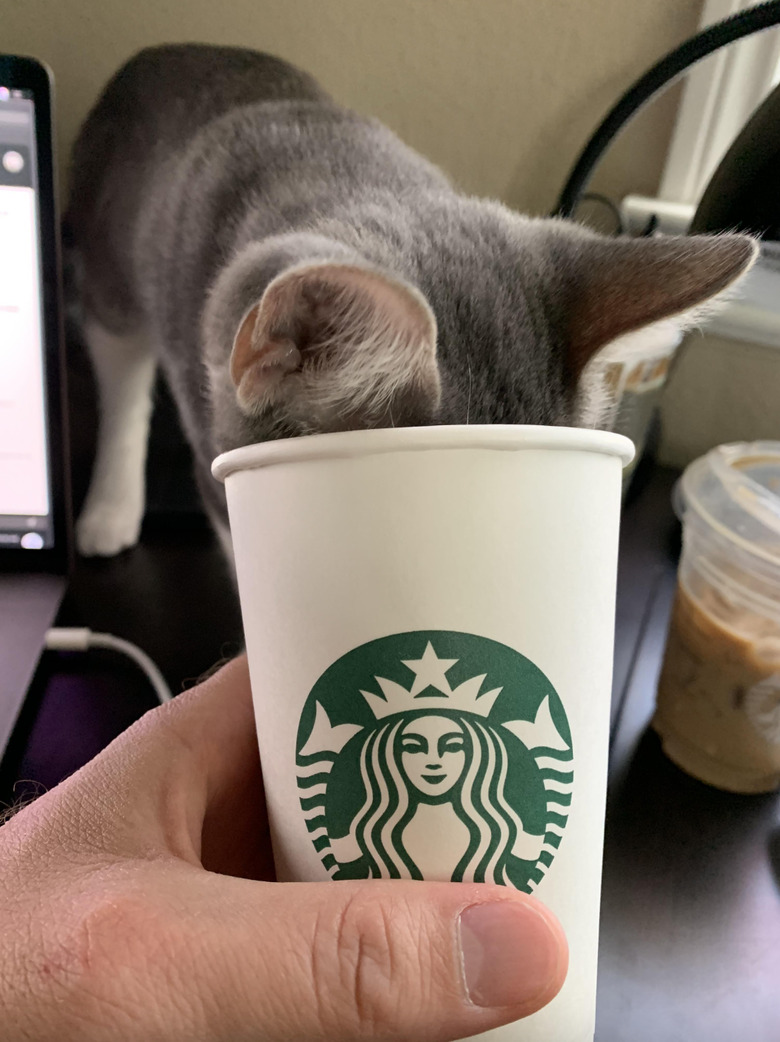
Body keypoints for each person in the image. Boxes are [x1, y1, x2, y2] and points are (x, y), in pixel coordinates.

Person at [0, 655, 567, 1041]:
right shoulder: (359, 832)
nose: (434, 760)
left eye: (451, 746)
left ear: (481, 757)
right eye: (415, 744)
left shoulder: (499, 829)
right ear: (388, 759)